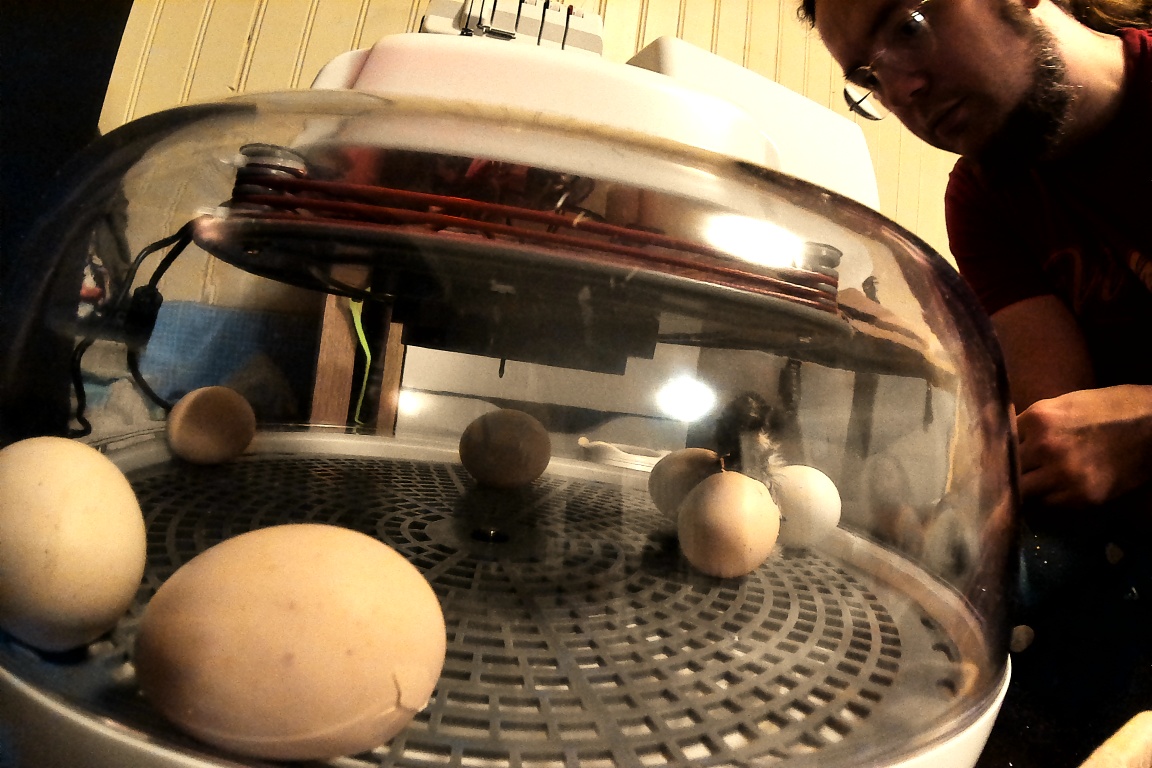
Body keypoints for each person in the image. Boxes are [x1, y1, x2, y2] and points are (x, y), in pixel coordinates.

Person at [797, 0, 1152, 765]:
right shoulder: (985, 194)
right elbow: (1059, 415)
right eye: (869, 76)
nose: (902, 89)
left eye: (906, 26)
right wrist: (956, 509)